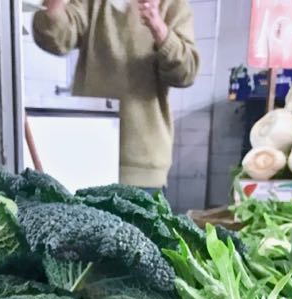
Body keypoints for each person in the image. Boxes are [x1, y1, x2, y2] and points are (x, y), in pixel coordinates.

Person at [32, 0, 199, 192]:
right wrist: (53, 7)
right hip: (87, 156)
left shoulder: (172, 5)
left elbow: (186, 72)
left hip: (143, 163)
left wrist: (158, 28)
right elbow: (55, 39)